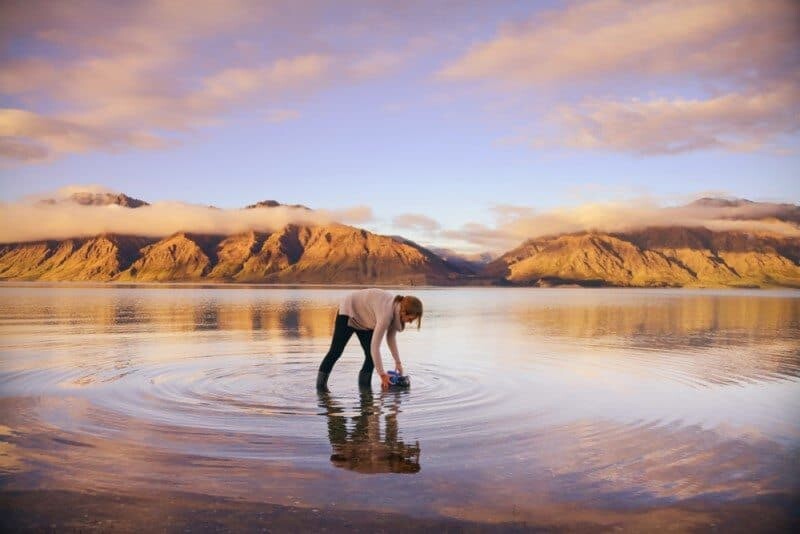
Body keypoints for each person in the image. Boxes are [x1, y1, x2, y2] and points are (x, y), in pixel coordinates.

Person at [316, 288, 423, 391]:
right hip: (349, 311)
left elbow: (391, 338)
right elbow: (375, 347)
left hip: (365, 320)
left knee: (371, 358)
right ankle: (320, 389)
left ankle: (365, 392)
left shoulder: (396, 310)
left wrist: (398, 363)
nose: (410, 322)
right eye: (410, 319)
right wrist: (382, 375)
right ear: (404, 312)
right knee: (335, 352)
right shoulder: (386, 315)